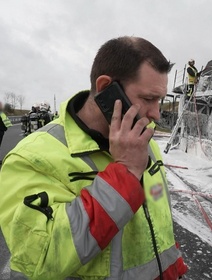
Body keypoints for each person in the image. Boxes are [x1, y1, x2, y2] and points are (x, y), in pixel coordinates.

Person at [0, 36, 187, 279]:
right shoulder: (30, 158)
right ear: (105, 87)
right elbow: (40, 259)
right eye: (148, 99)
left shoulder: (144, 143)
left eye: (160, 100)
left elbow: (157, 225)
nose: (156, 114)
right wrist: (126, 173)